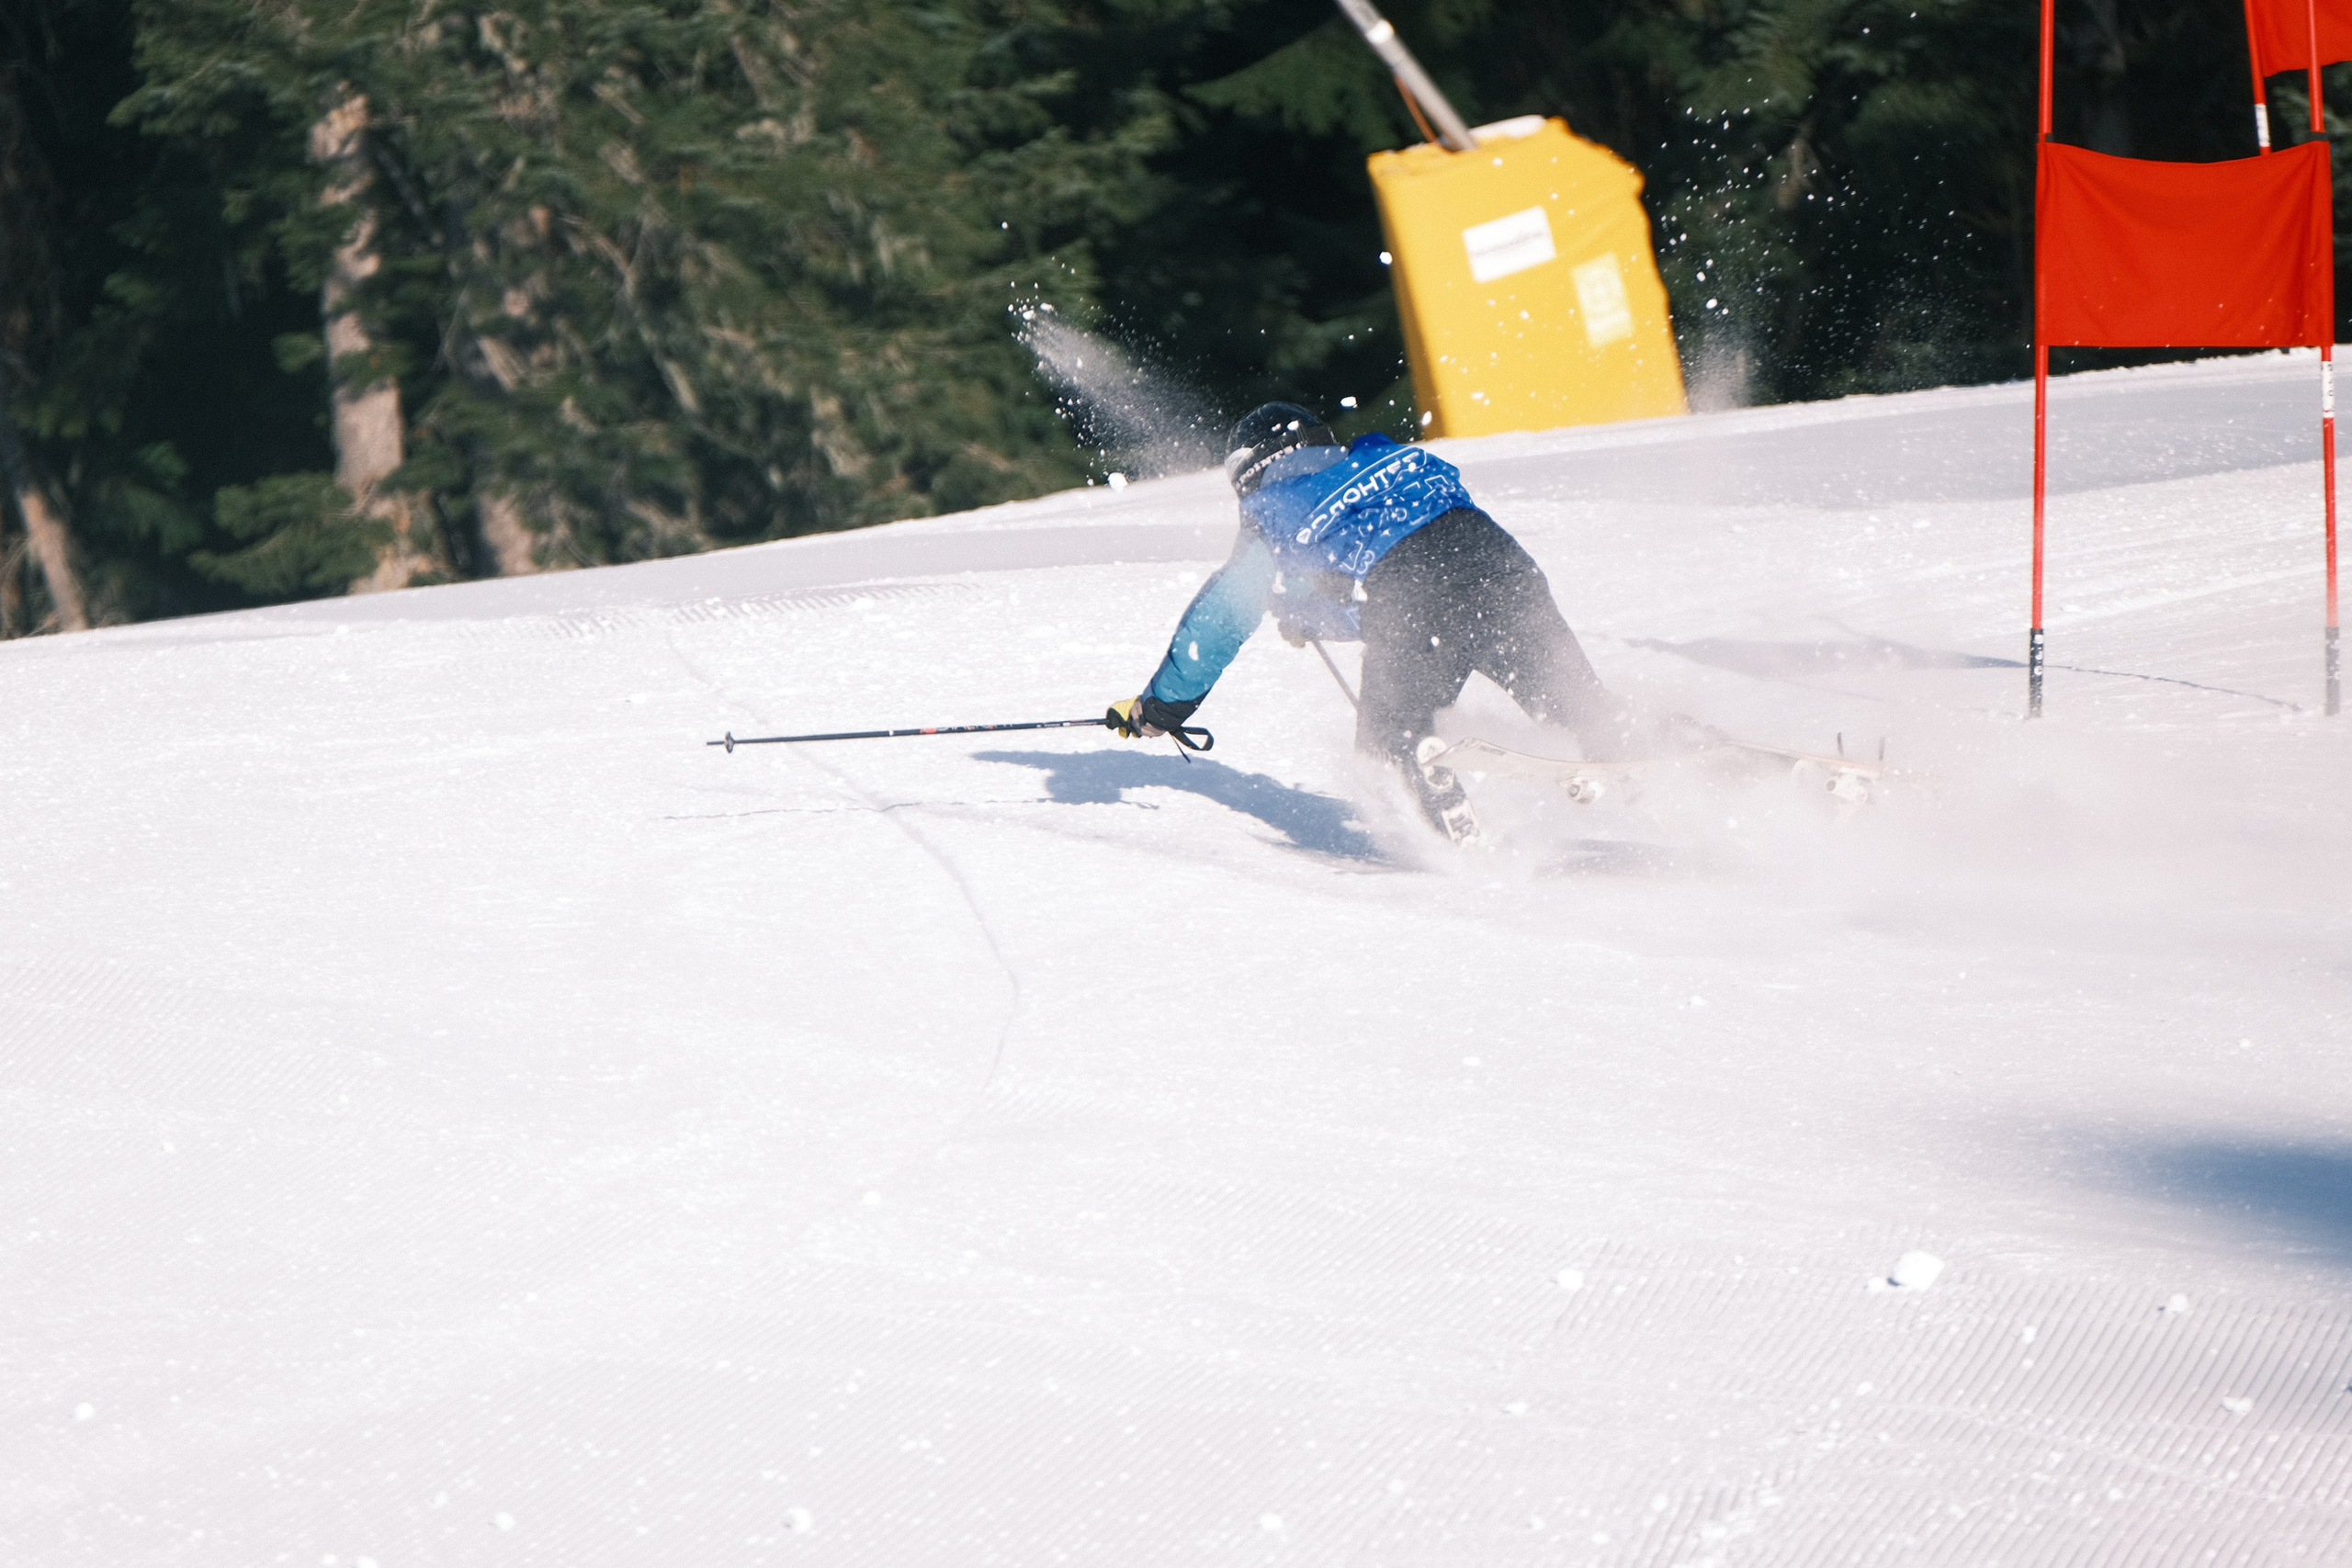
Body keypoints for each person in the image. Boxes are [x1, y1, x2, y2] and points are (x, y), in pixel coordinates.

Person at [1108, 401, 1627, 841]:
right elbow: (1391, 582)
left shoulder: (1270, 506)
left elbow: (1224, 614)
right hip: (1500, 564)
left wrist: (1164, 706)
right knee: (1576, 703)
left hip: (1411, 590)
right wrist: (1304, 613)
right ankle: (1659, 745)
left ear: (1247, 471)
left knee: (1387, 746)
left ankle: (1451, 835)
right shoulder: (1382, 458)